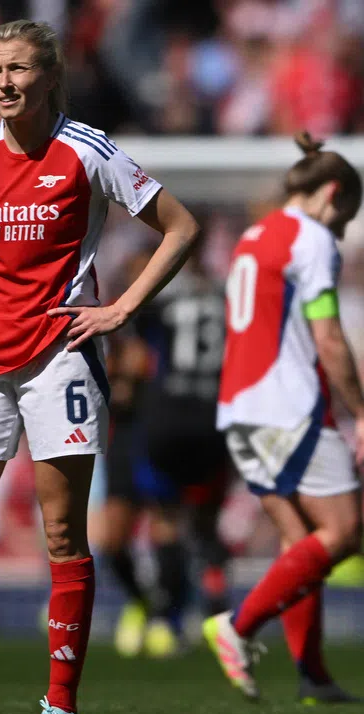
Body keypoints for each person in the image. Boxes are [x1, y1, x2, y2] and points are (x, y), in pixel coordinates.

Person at [0, 19, 199, 714]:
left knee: (61, 531)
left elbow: (180, 226)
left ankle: (60, 706)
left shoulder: (87, 152)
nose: (5, 83)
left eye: (20, 69)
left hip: (61, 357)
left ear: (49, 75)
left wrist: (120, 307)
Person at [204, 133, 364, 705]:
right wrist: (362, 412)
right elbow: (327, 332)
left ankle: (313, 674)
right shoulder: (313, 239)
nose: (344, 230)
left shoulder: (253, 236)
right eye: (345, 215)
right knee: (345, 532)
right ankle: (239, 626)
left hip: (239, 408)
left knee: (298, 542)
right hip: (287, 407)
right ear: (332, 192)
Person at [103, 245, 233, 658]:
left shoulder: (156, 311)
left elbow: (139, 361)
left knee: (174, 522)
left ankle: (173, 615)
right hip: (143, 429)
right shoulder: (213, 297)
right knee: (118, 539)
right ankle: (158, 606)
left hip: (162, 423)